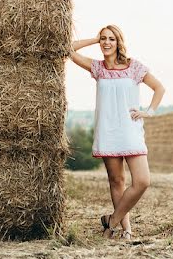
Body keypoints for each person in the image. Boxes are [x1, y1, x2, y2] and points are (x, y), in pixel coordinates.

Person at [69, 25, 165, 240]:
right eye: (103, 39)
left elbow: (159, 88)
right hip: (107, 131)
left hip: (130, 130)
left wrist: (148, 112)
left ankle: (111, 221)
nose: (106, 42)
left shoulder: (134, 67)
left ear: (118, 41)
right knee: (117, 181)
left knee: (142, 181)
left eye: (111, 38)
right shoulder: (97, 68)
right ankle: (125, 229)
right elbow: (67, 48)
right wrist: (93, 39)